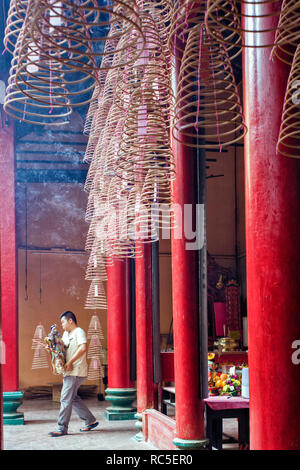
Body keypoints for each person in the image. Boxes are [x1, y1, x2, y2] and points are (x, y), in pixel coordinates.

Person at [48, 311, 99, 437]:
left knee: (65, 398)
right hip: (69, 370)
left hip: (76, 370)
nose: (62, 325)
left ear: (70, 321)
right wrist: (51, 347)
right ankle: (90, 420)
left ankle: (62, 428)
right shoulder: (66, 334)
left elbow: (83, 348)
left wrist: (70, 361)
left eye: (63, 322)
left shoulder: (79, 332)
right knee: (73, 398)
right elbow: (62, 348)